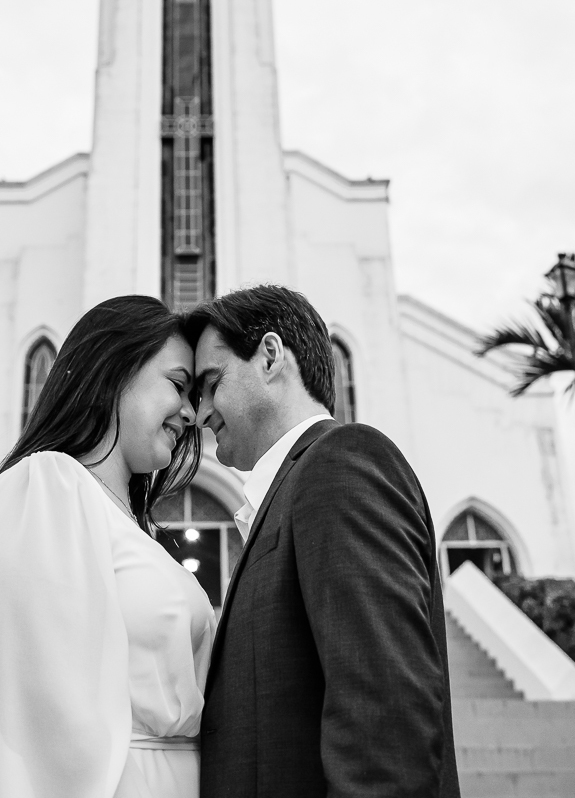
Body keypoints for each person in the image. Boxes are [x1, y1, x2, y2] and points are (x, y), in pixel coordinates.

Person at [186, 284, 460, 798]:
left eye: (211, 384)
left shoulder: (341, 464)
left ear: (270, 357)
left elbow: (385, 723)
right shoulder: (290, 492)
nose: (200, 413)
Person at [0, 295, 216, 798]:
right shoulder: (44, 489)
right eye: (178, 385)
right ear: (115, 370)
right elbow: (53, 720)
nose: (191, 413)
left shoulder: (128, 525)